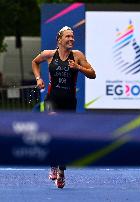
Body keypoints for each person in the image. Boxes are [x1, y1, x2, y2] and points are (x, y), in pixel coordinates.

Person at [31, 26, 96, 188]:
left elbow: (93, 74)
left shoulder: (78, 55)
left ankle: (61, 171)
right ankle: (54, 164)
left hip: (69, 103)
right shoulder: (49, 55)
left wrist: (78, 68)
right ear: (59, 40)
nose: (71, 39)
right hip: (52, 100)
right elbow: (34, 62)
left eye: (73, 37)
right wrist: (38, 78)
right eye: (68, 37)